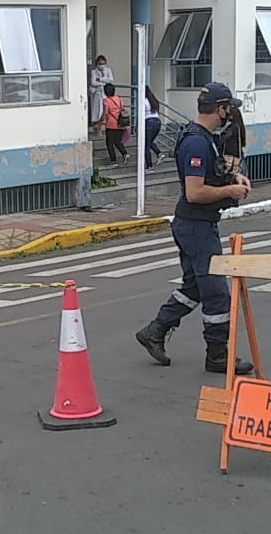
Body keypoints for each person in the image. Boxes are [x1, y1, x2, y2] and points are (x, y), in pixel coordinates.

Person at [135, 82, 255, 375]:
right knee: (215, 292)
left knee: (194, 286)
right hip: (196, 226)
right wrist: (230, 191)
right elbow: (195, 192)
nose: (230, 114)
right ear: (220, 108)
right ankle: (217, 356)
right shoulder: (196, 143)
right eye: (228, 108)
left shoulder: (203, 138)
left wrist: (233, 176)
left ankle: (155, 330)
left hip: (196, 223)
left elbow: (211, 174)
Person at [102, 83, 130, 165]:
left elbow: (106, 113)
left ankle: (113, 161)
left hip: (111, 125)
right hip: (121, 123)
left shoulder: (106, 101)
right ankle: (125, 153)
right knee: (118, 141)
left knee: (109, 143)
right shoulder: (119, 98)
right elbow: (122, 109)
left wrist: (101, 122)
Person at [89, 56, 115, 134]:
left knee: (104, 110)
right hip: (97, 93)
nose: (102, 65)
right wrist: (104, 83)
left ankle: (102, 128)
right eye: (100, 63)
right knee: (96, 111)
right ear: (97, 63)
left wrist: (100, 79)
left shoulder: (108, 70)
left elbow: (111, 79)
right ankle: (97, 129)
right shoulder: (94, 71)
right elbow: (93, 82)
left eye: (104, 63)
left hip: (105, 94)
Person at [142, 86, 163, 171]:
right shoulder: (153, 100)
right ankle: (159, 153)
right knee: (149, 142)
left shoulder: (144, 101)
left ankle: (149, 166)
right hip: (157, 122)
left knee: (146, 145)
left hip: (149, 123)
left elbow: (141, 114)